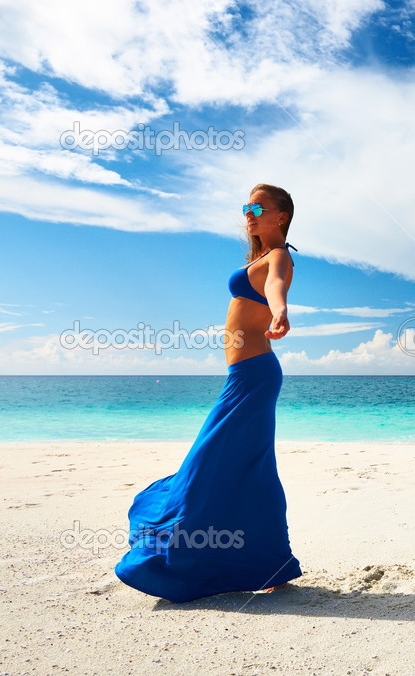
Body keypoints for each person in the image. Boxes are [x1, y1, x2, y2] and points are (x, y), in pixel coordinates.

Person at [114, 184, 302, 603]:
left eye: (259, 207)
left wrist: (280, 310)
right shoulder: (257, 257)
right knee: (247, 467)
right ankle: (271, 562)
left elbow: (276, 284)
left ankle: (187, 560)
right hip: (245, 375)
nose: (249, 214)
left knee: (209, 462)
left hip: (254, 376)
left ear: (281, 216)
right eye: (246, 207)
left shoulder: (279, 256)